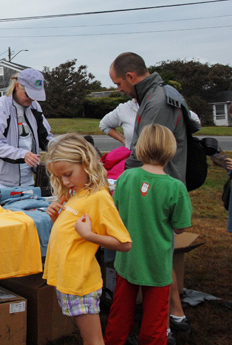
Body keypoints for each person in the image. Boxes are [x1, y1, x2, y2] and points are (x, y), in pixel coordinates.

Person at [109, 52, 193, 339]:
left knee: (152, 255)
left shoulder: (156, 101)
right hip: (156, 193)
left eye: (119, 83)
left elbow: (140, 152)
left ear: (131, 77)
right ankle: (172, 318)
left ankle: (171, 321)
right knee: (156, 254)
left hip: (154, 192)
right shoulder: (155, 95)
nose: (119, 89)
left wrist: (124, 180)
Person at [104, 124, 193, 345]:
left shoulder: (126, 177)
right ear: (171, 149)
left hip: (127, 260)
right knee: (155, 322)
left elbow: (116, 210)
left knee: (119, 315)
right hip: (157, 264)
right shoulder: (175, 187)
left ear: (140, 147)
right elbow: (180, 227)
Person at [43, 133, 132, 345]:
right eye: (60, 177)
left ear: (86, 163)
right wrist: (56, 218)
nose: (65, 181)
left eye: (68, 174)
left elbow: (125, 243)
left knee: (93, 340)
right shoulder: (77, 194)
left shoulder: (98, 197)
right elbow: (72, 235)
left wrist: (90, 235)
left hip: (81, 281)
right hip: (68, 279)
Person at [0, 68, 53, 191]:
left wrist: (63, 146)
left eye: (35, 96)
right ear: (17, 86)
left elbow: (45, 137)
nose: (31, 100)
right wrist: (23, 154)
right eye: (28, 95)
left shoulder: (34, 106)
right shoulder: (1, 105)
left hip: (27, 179)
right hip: (2, 181)